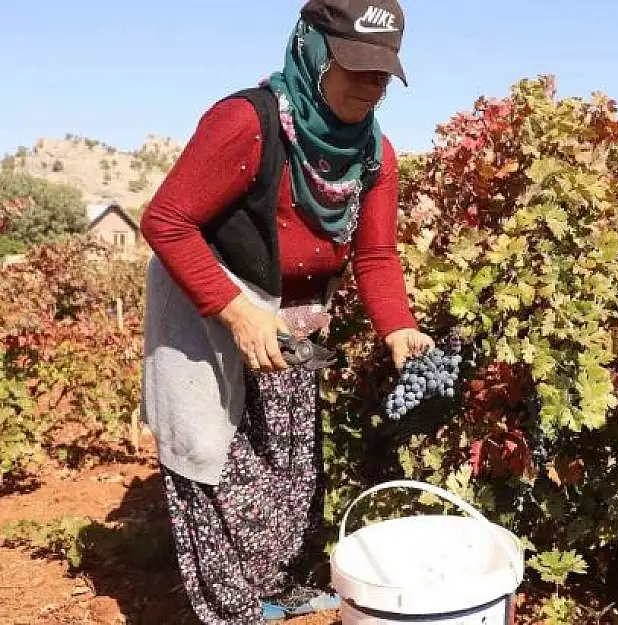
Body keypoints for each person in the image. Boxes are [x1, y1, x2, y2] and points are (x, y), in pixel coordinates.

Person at [138, 0, 433, 622]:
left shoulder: (374, 154)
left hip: (294, 320)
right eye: (357, 65)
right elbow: (166, 220)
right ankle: (229, 606)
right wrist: (236, 312)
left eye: (383, 71)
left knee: (288, 468)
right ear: (315, 52)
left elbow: (375, 254)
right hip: (208, 305)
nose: (372, 83)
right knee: (216, 462)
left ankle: (273, 583)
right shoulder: (245, 122)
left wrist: (399, 325)